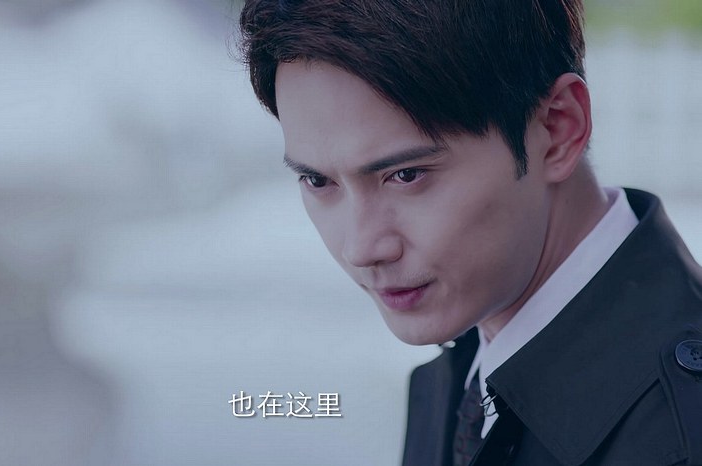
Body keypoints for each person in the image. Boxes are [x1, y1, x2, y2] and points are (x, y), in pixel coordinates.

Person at [238, 1, 702, 465]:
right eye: (318, 181)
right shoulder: (470, 367)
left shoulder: (679, 432)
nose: (361, 248)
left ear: (558, 129)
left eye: (407, 175)